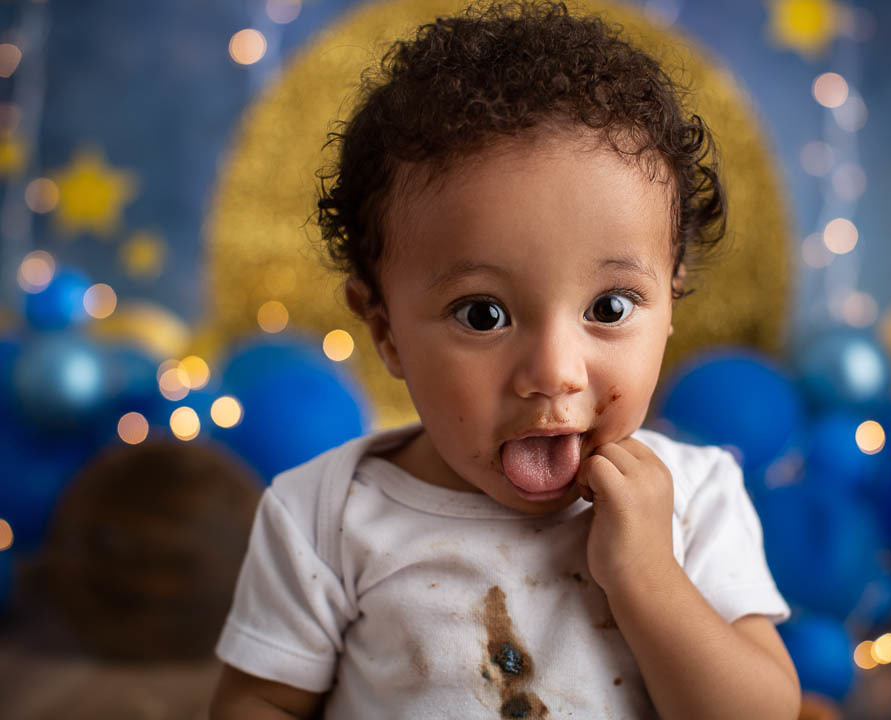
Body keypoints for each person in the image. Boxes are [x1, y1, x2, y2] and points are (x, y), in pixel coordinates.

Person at [210, 1, 800, 718]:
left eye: (609, 308)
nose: (554, 372)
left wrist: (647, 575)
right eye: (483, 315)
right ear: (386, 330)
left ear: (670, 306)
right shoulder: (326, 516)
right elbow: (259, 703)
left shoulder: (695, 499)